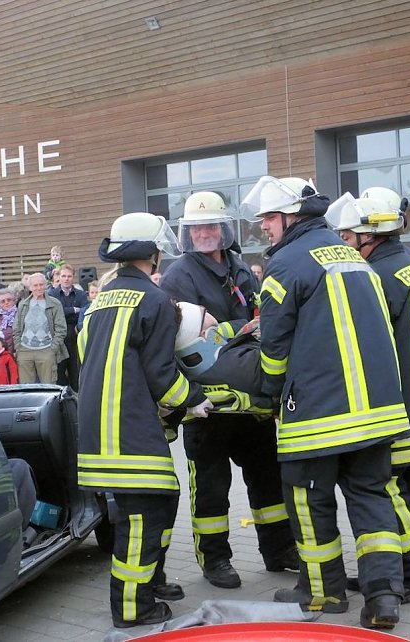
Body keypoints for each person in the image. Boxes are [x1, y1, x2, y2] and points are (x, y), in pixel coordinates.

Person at [241, 176, 410, 629]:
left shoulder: (286, 265)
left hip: (318, 416)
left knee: (309, 502)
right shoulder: (355, 259)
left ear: (294, 216)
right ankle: (384, 597)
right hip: (376, 412)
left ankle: (323, 595)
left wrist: (266, 397)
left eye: (271, 219)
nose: (265, 228)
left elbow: (274, 348)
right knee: (372, 500)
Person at [77, 211, 210, 628]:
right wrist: (194, 400)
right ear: (152, 253)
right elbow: (161, 374)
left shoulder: (101, 298)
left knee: (160, 503)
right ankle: (133, 608)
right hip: (130, 428)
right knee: (142, 519)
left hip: (101, 427)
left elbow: (87, 354)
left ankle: (151, 581)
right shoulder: (155, 300)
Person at [326, 190, 410, 602]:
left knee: (388, 490)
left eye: (350, 236)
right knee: (406, 490)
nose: (346, 243)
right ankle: (409, 568)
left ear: (370, 235)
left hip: (400, 407)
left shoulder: (377, 277)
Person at [160, 191, 295, 588]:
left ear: (224, 228)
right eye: (197, 226)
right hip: (209, 404)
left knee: (268, 478)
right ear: (188, 233)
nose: (204, 232)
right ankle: (215, 559)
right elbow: (181, 341)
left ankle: (279, 550)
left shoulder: (239, 267)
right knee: (211, 489)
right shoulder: (178, 276)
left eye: (210, 225)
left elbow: (259, 318)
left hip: (250, 401)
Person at [14, 273, 67, 384]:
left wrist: (52, 349)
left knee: (49, 387)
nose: (39, 288)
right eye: (35, 285)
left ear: (46, 285)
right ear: (30, 287)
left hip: (46, 350)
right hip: (24, 351)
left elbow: (61, 329)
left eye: (41, 284)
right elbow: (17, 328)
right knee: (26, 389)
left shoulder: (55, 304)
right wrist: (18, 347)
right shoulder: (23, 304)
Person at [48, 263, 88, 390]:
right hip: (59, 340)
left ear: (73, 277)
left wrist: (66, 312)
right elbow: (54, 314)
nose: (66, 279)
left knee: (76, 374)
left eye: (69, 276)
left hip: (75, 339)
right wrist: (73, 310)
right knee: (59, 376)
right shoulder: (52, 294)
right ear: (59, 277)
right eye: (63, 276)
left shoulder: (81, 295)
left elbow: (84, 312)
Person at [0, 288, 19, 356]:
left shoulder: (20, 315)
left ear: (14, 301)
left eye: (9, 300)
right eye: (3, 301)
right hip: (2, 355)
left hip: (19, 354)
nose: (6, 302)